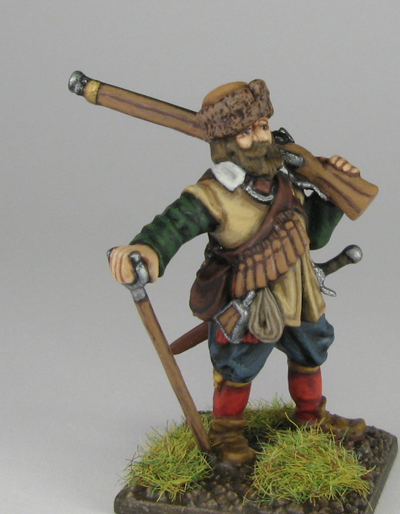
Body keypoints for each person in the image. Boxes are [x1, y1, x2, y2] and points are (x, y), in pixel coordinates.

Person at [109, 79, 366, 465]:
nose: (259, 137)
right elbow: (173, 226)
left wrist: (333, 191)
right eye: (245, 132)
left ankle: (312, 417)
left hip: (299, 287)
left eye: (262, 126)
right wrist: (146, 249)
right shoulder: (213, 194)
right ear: (224, 143)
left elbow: (313, 236)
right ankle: (227, 434)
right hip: (249, 297)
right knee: (237, 365)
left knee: (311, 349)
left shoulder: (288, 180)